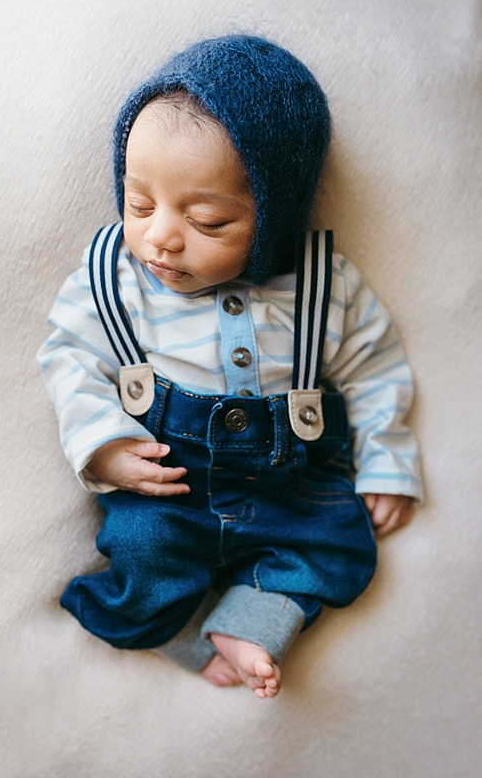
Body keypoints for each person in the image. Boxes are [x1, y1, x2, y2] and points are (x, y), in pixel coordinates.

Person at [37, 34, 422, 698]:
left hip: (291, 478)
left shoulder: (321, 283)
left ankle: (250, 621)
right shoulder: (112, 276)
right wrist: (102, 444)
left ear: (274, 216)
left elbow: (372, 367)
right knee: (141, 551)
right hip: (170, 475)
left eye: (208, 221)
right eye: (138, 204)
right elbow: (68, 357)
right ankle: (177, 631)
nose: (159, 235)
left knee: (340, 546)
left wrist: (385, 457)